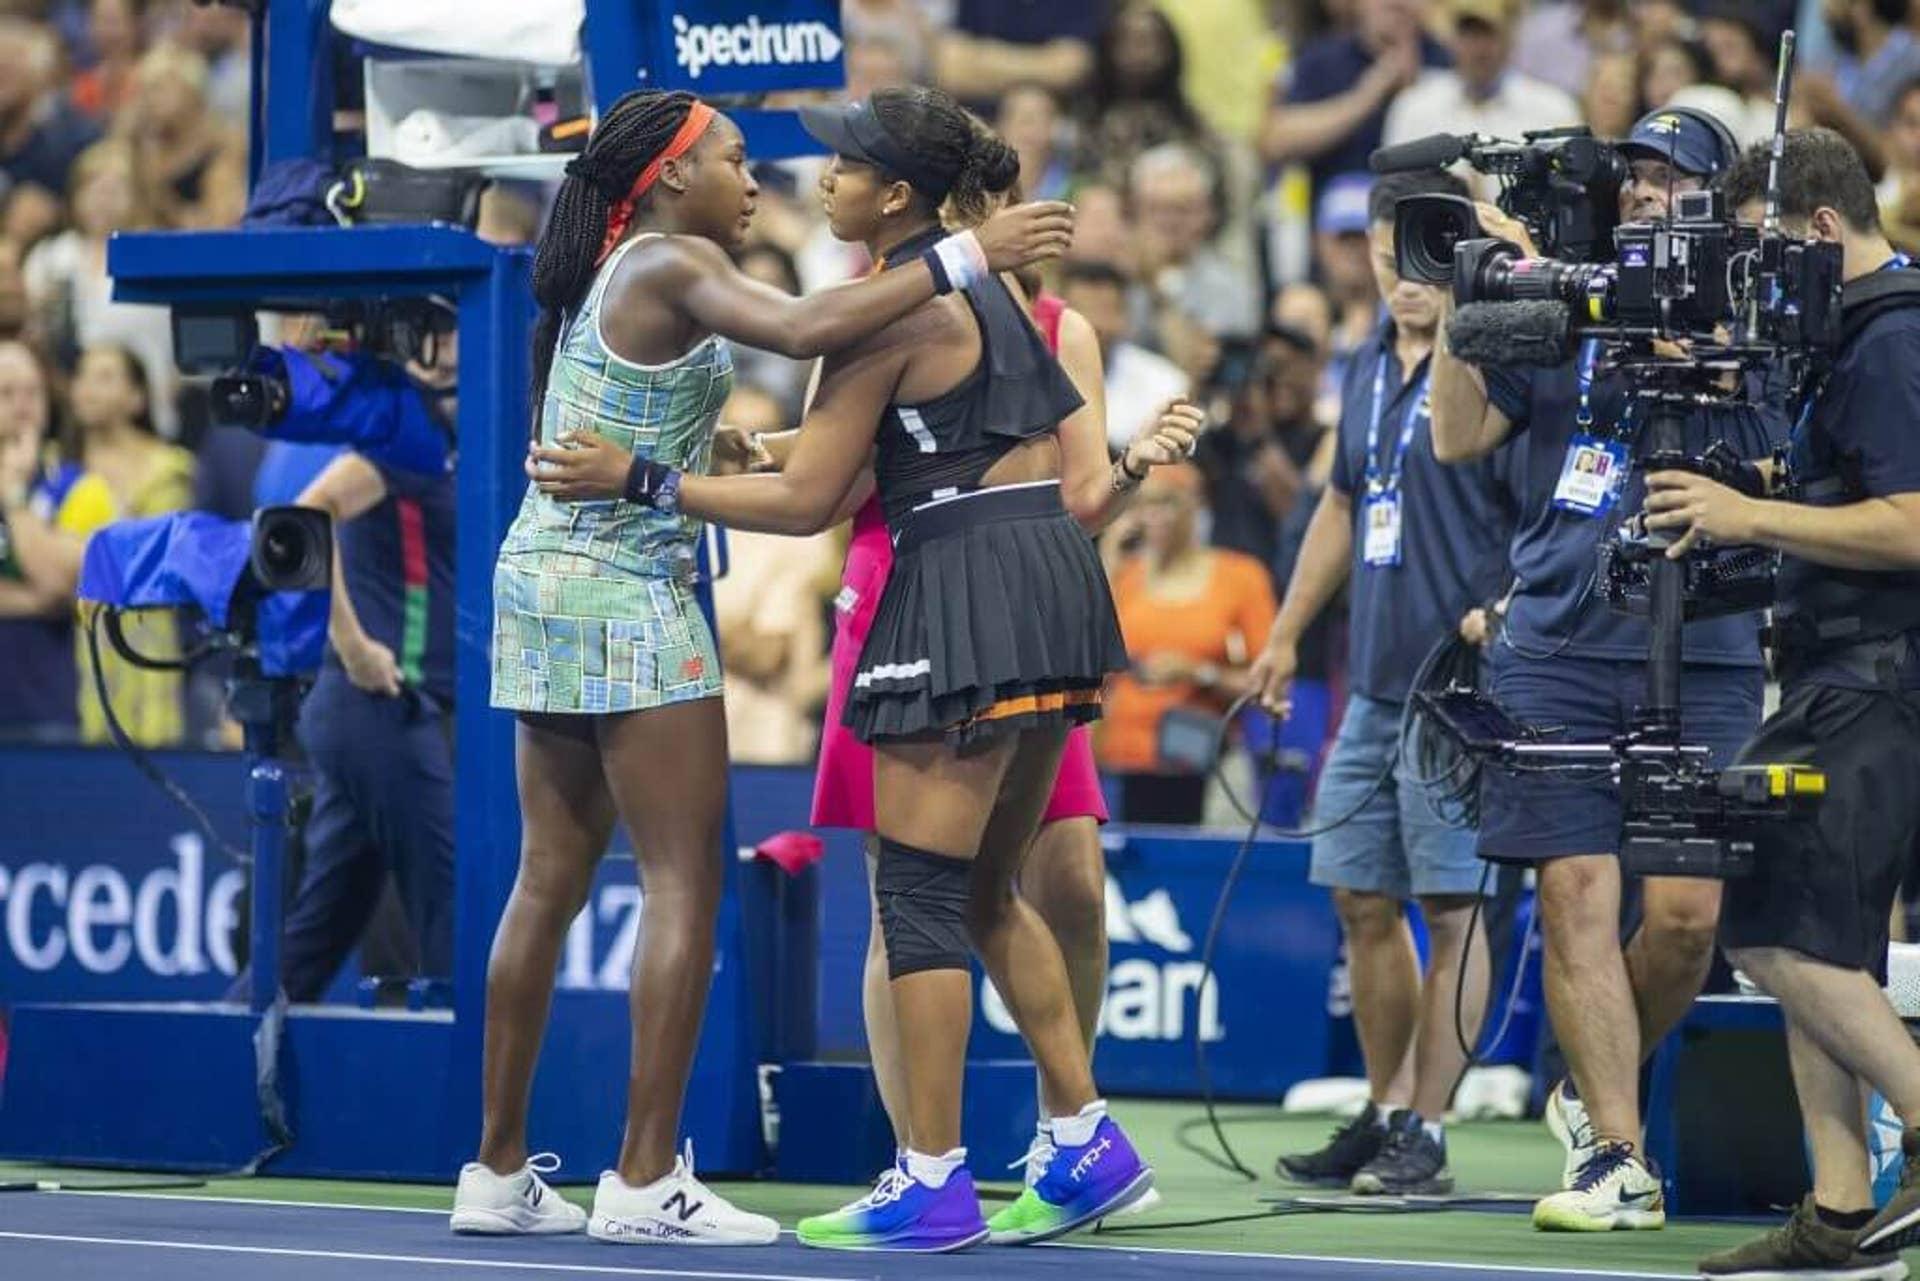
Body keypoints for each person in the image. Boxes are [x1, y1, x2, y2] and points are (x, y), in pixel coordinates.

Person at [530, 85, 1154, 1253]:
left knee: (916, 894)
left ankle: (933, 1178)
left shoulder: (885, 311)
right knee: (986, 889)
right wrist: (760, 445)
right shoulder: (995, 293)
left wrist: (641, 479)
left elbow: (813, 502)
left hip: (961, 589)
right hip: (1052, 582)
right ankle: (1085, 1139)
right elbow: (908, 449)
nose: (821, 180)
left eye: (845, 167)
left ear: (897, 194)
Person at [1428, 106, 1778, 1231]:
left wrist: (1710, 361)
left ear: (1718, 200)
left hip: (1706, 645)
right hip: (1556, 645)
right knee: (1573, 887)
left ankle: (1589, 1089)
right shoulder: (1564, 299)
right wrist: (1469, 296)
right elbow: (1455, 437)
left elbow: (1787, 463)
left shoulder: (1758, 307)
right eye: (1634, 175)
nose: (1643, 193)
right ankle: (1619, 1157)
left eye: (1671, 179)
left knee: (1685, 918)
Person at [1681, 128, 1920, 1281]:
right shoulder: (1851, 334)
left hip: (1879, 677)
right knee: (1816, 938)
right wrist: (1771, 482)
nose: (1754, 280)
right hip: (1846, 670)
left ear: (1821, 229)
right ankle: (1842, 1212)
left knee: (1769, 924)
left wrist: (1749, 517)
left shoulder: (1892, 339)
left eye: (1762, 251)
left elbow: (1913, 523)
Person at [1256, 168, 1514, 1197]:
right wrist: (1284, 634)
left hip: (1462, 686)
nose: (1407, 276)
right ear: (1367, 253)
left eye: (1427, 254)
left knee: (1452, 908)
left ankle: (1430, 1129)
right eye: (1389, 253)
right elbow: (1341, 501)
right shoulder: (1364, 358)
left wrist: (1510, 609)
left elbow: (1542, 506)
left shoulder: (1498, 352)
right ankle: (1385, 1105)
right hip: (1371, 681)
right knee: (1360, 896)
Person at [232, 350, 458, 1003]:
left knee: (317, 935)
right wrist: (354, 644)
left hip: (380, 711)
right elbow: (307, 513)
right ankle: (470, 1063)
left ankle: (221, 1050)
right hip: (381, 704)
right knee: (453, 903)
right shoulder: (405, 440)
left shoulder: (460, 444)